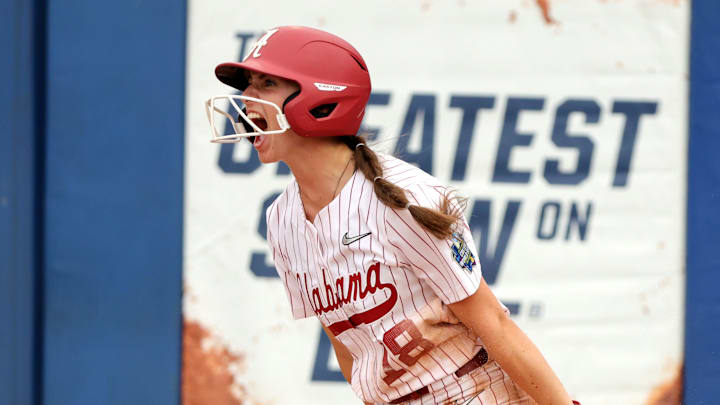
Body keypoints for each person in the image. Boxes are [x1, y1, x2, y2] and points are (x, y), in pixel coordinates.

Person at [205, 25, 581, 405]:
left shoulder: (402, 200)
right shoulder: (282, 221)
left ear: (320, 100)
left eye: (266, 83)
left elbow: (495, 324)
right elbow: (348, 344)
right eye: (248, 84)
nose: (246, 98)